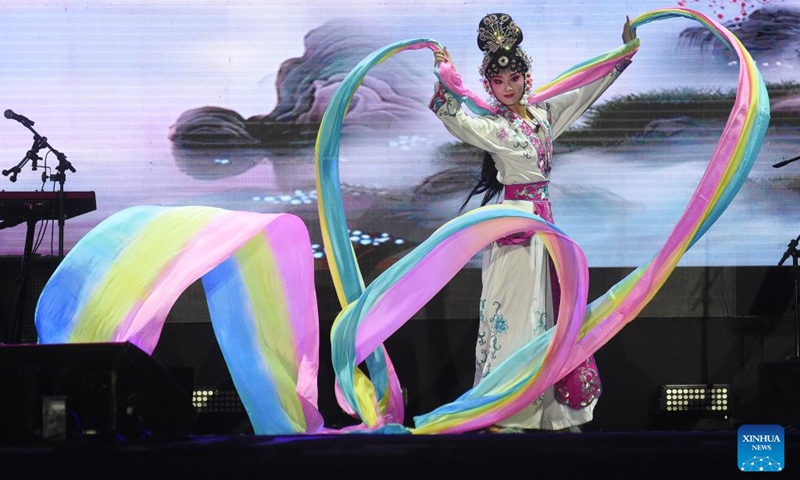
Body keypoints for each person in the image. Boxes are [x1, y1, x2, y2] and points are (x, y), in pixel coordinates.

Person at [430, 13, 637, 433]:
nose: (508, 87)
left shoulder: (542, 117)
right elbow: (455, 118)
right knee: (514, 314)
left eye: (514, 78)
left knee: (554, 317)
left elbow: (584, 92)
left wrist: (623, 56)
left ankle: (551, 412)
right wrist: (444, 77)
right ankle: (506, 409)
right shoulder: (493, 127)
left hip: (547, 230)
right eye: (498, 81)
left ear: (526, 76)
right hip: (513, 229)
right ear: (489, 86)